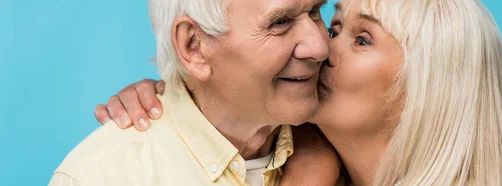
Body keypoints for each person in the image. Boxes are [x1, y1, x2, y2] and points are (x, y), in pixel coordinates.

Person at [96, 0, 502, 185]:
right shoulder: (288, 156)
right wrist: (182, 86)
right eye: (336, 25)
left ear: (435, 84)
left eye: (361, 39)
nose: (319, 47)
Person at [49, 0, 335, 185]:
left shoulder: (341, 141)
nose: (320, 46)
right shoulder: (102, 176)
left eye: (315, 12)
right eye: (280, 22)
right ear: (193, 47)